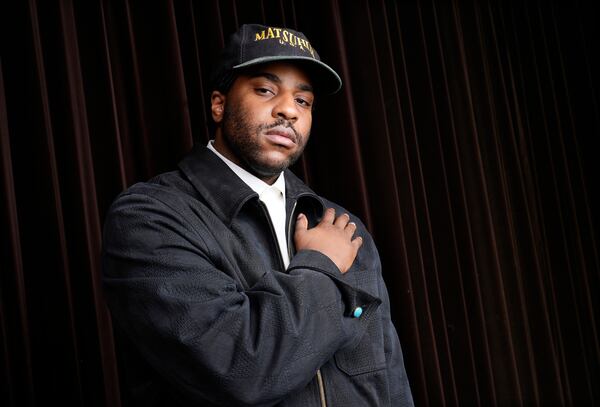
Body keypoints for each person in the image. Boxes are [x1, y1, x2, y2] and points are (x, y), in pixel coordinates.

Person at [101, 23, 414, 407]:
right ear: (219, 104)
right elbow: (240, 372)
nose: (288, 110)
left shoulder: (342, 226)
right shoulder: (151, 217)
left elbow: (389, 381)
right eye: (266, 90)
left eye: (304, 101)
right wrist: (321, 268)